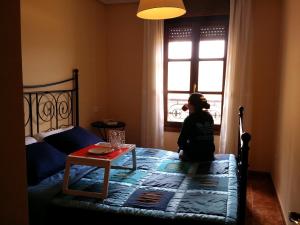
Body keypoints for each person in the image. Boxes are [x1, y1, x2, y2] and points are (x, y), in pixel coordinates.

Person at [177, 93, 215, 161]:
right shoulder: (209, 116)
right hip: (209, 155)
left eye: (188, 103)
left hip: (194, 156)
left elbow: (180, 142)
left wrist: (182, 149)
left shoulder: (189, 119)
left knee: (180, 149)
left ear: (191, 105)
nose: (187, 104)